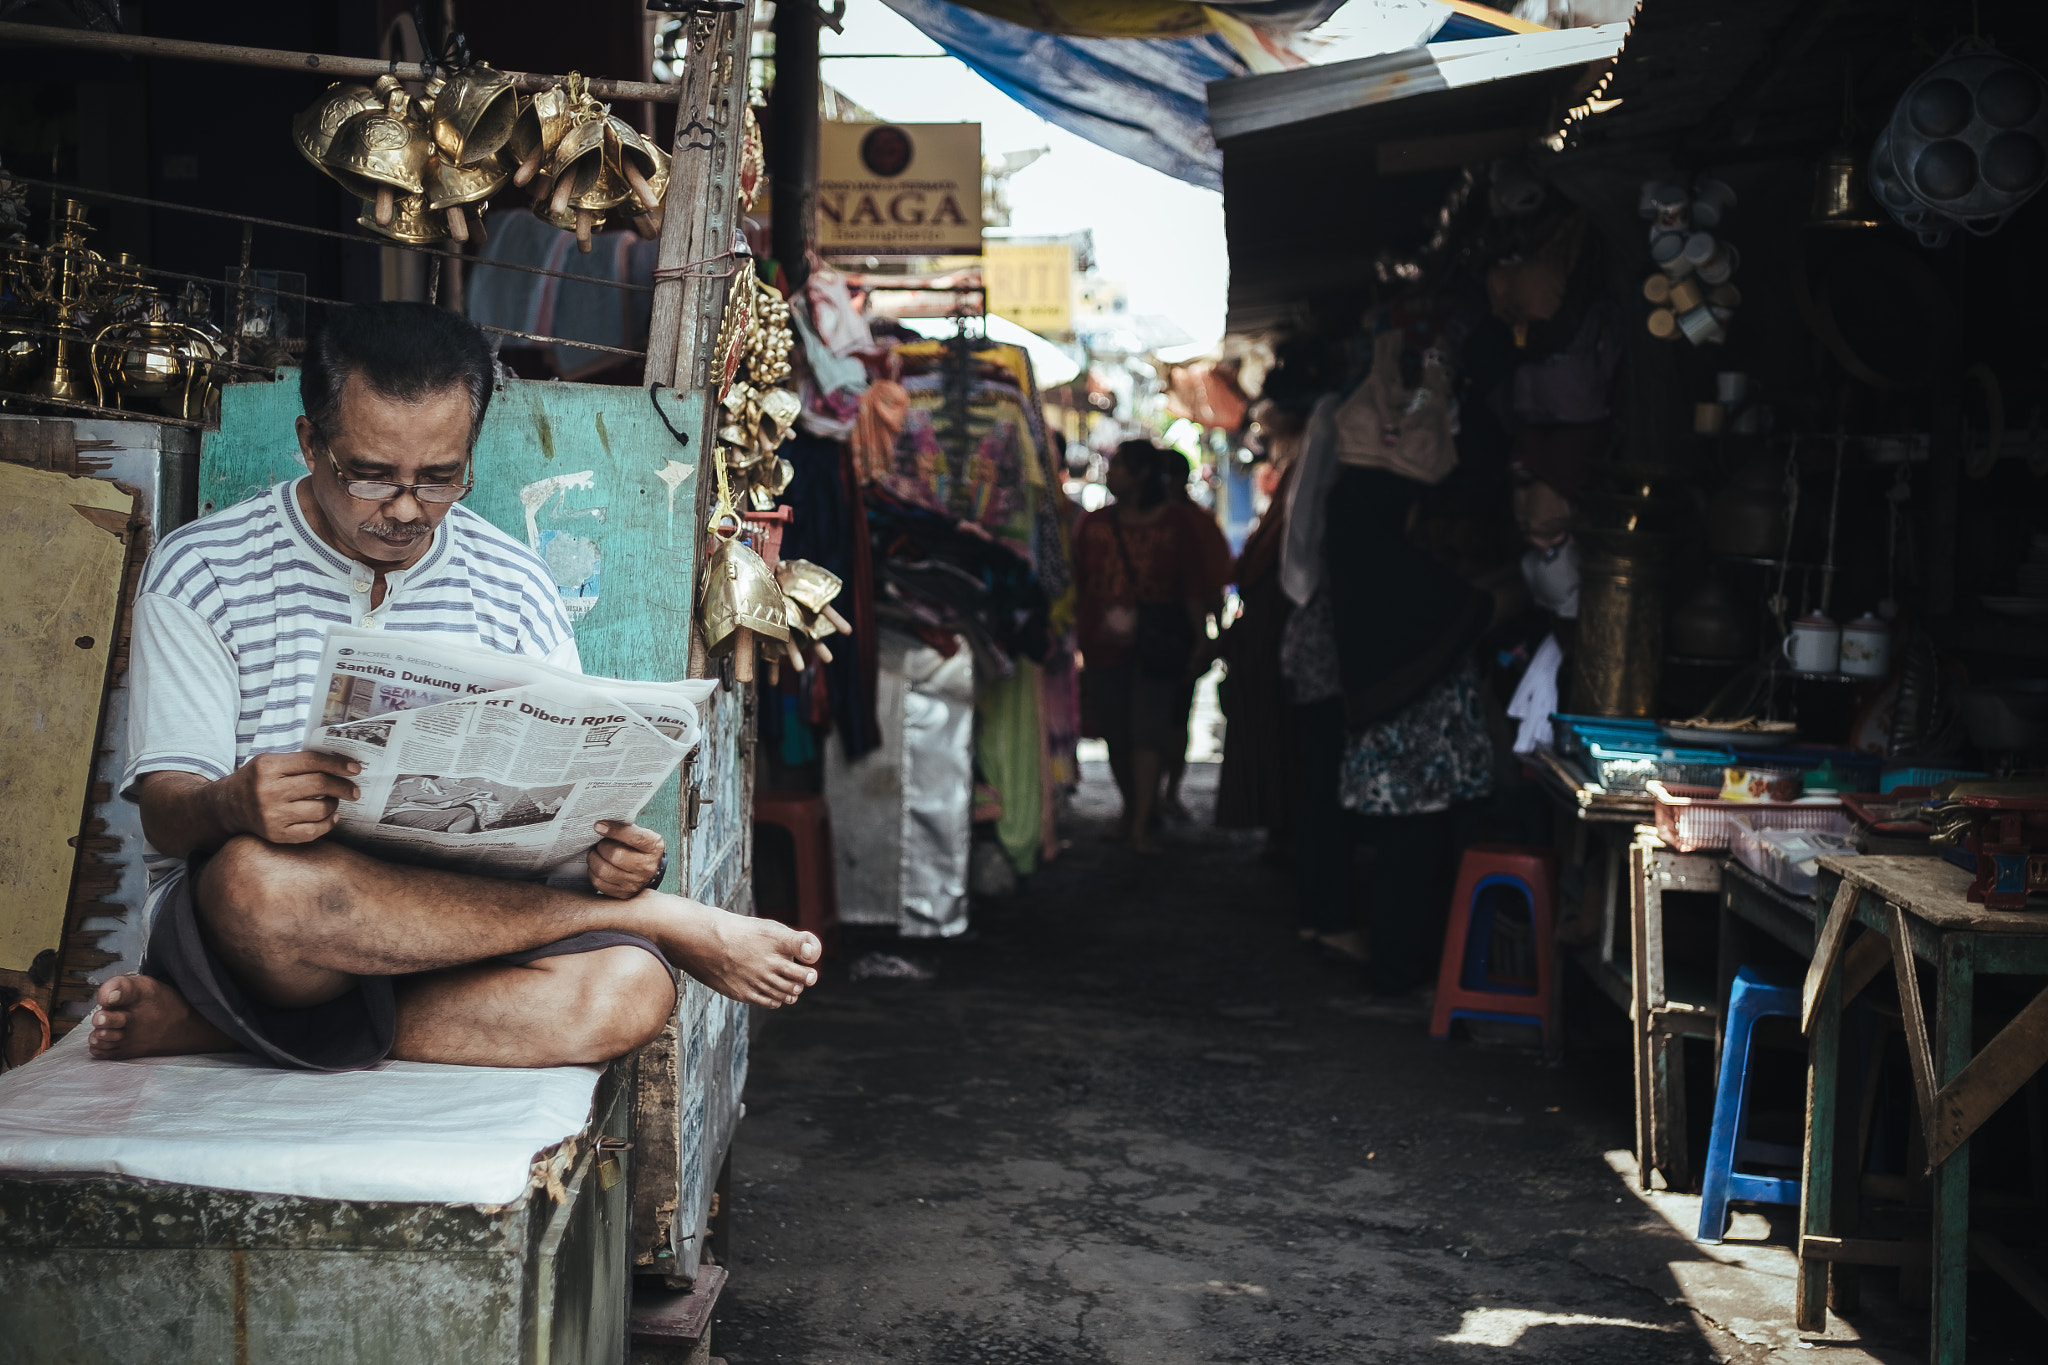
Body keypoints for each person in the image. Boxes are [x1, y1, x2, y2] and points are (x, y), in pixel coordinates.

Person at [87, 302, 820, 1073]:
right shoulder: (203, 569)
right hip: (286, 934)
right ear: (310, 442)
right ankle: (663, 920)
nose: (405, 510)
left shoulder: (512, 583)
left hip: (458, 932)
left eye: (439, 479)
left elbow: (566, 810)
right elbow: (168, 819)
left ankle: (225, 1029)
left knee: (630, 990)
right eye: (369, 474)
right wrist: (230, 803)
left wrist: (609, 860)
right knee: (257, 884)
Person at [1072, 441, 1207, 855]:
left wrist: (1202, 638)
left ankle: (1140, 819)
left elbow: (1192, 586)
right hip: (1103, 647)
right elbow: (1078, 584)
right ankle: (1135, 810)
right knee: (1116, 733)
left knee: (1148, 732)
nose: (1110, 474)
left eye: (1118, 467)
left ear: (1142, 473)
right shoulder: (1092, 525)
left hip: (1157, 645)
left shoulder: (1178, 524)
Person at [1156, 447, 1233, 822]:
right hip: (1182, 632)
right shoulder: (1198, 522)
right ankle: (1161, 795)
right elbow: (1216, 584)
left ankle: (1160, 795)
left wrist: (1215, 635)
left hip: (1178, 633)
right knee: (1172, 718)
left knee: (1166, 717)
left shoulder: (1191, 523)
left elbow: (1214, 584)